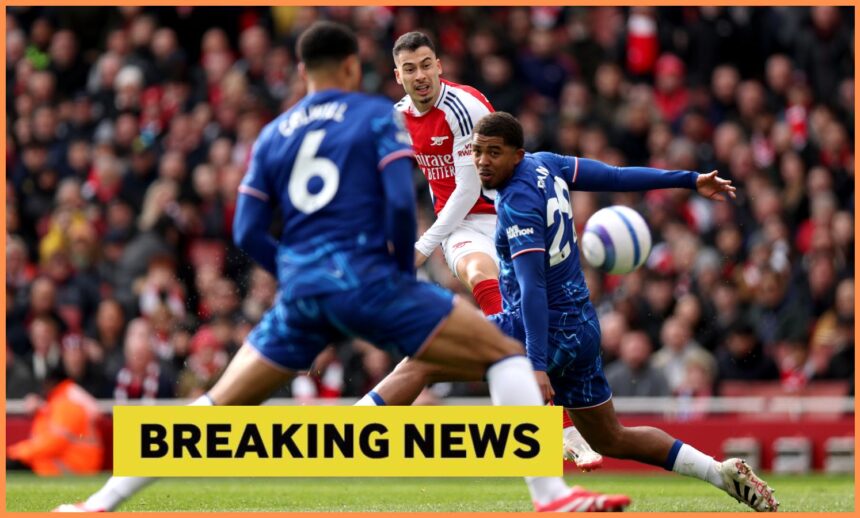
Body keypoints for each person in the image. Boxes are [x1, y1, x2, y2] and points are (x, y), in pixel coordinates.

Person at [54, 23, 629, 513]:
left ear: (303, 72)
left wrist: (297, 273)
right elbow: (401, 200)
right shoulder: (377, 117)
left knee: (216, 406)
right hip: (371, 280)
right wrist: (403, 266)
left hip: (304, 287)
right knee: (504, 351)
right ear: (355, 67)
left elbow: (247, 231)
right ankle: (551, 494)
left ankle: (95, 504)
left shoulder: (273, 133)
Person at [362, 112, 779, 512]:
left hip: (540, 328)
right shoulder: (549, 164)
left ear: (516, 154)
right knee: (612, 438)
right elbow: (616, 177)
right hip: (581, 325)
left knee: (422, 362)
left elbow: (533, 287)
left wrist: (537, 365)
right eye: (478, 152)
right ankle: (720, 473)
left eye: (493, 152)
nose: (483, 162)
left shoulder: (517, 204)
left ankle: (343, 436)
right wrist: (689, 179)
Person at [381, 30, 603, 472]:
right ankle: (553, 427)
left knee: (527, 314)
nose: (420, 75)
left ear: (439, 65)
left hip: (503, 215)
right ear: (398, 75)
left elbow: (467, 187)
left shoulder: (466, 107)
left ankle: (544, 413)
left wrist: (420, 248)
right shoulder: (395, 119)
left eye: (426, 64)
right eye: (410, 69)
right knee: (484, 279)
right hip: (458, 227)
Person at [7, 364, 104, 476]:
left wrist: (17, 452)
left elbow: (55, 441)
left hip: (77, 465)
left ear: (50, 383)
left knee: (27, 461)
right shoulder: (62, 400)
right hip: (78, 461)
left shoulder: (64, 403)